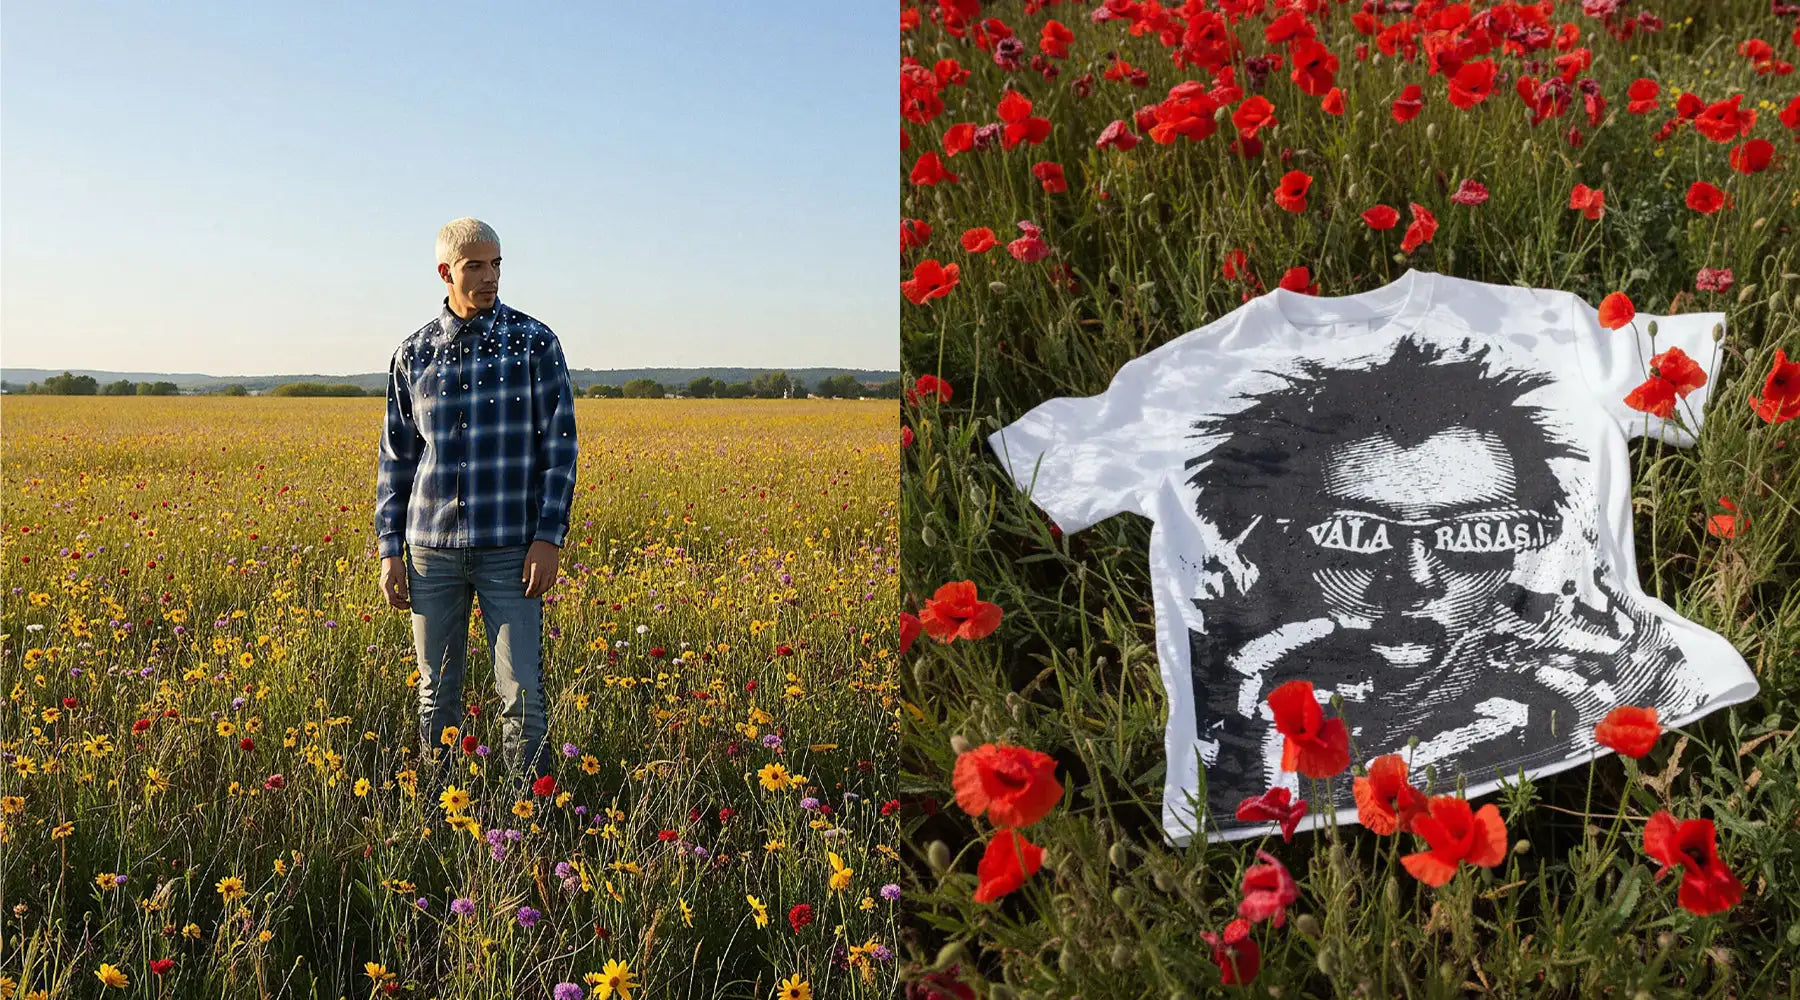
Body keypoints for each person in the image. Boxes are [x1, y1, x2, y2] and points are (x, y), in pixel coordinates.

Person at [1183, 335, 1699, 820]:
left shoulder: (1580, 690)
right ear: (1265, 544)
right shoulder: (1222, 697)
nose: (1414, 579)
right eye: (1357, 533)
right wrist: (1241, 753)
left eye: (1473, 534)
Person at [374, 217, 579, 806]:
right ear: (446, 272)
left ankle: (529, 816)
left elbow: (559, 447)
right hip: (430, 550)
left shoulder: (534, 343)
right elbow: (396, 459)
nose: (489, 278)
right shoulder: (412, 353)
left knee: (522, 692)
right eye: (475, 267)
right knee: (437, 693)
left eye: (496, 265)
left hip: (511, 549)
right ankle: (442, 809)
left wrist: (549, 536)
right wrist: (390, 550)